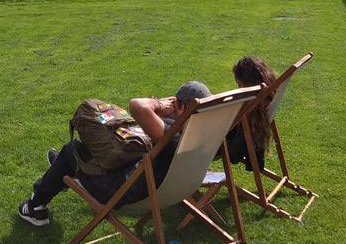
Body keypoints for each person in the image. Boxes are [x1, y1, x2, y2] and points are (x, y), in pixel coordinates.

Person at [17, 80, 211, 227]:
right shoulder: (207, 134)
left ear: (183, 107)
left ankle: (36, 207)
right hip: (168, 188)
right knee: (112, 148)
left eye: (176, 103)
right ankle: (62, 172)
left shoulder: (171, 137)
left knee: (72, 150)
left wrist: (159, 104)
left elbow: (137, 105)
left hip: (126, 192)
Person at [225, 56, 277, 171]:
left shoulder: (250, 111)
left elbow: (233, 156)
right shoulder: (268, 95)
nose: (238, 88)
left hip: (226, 146)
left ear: (249, 84)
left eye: (239, 84)